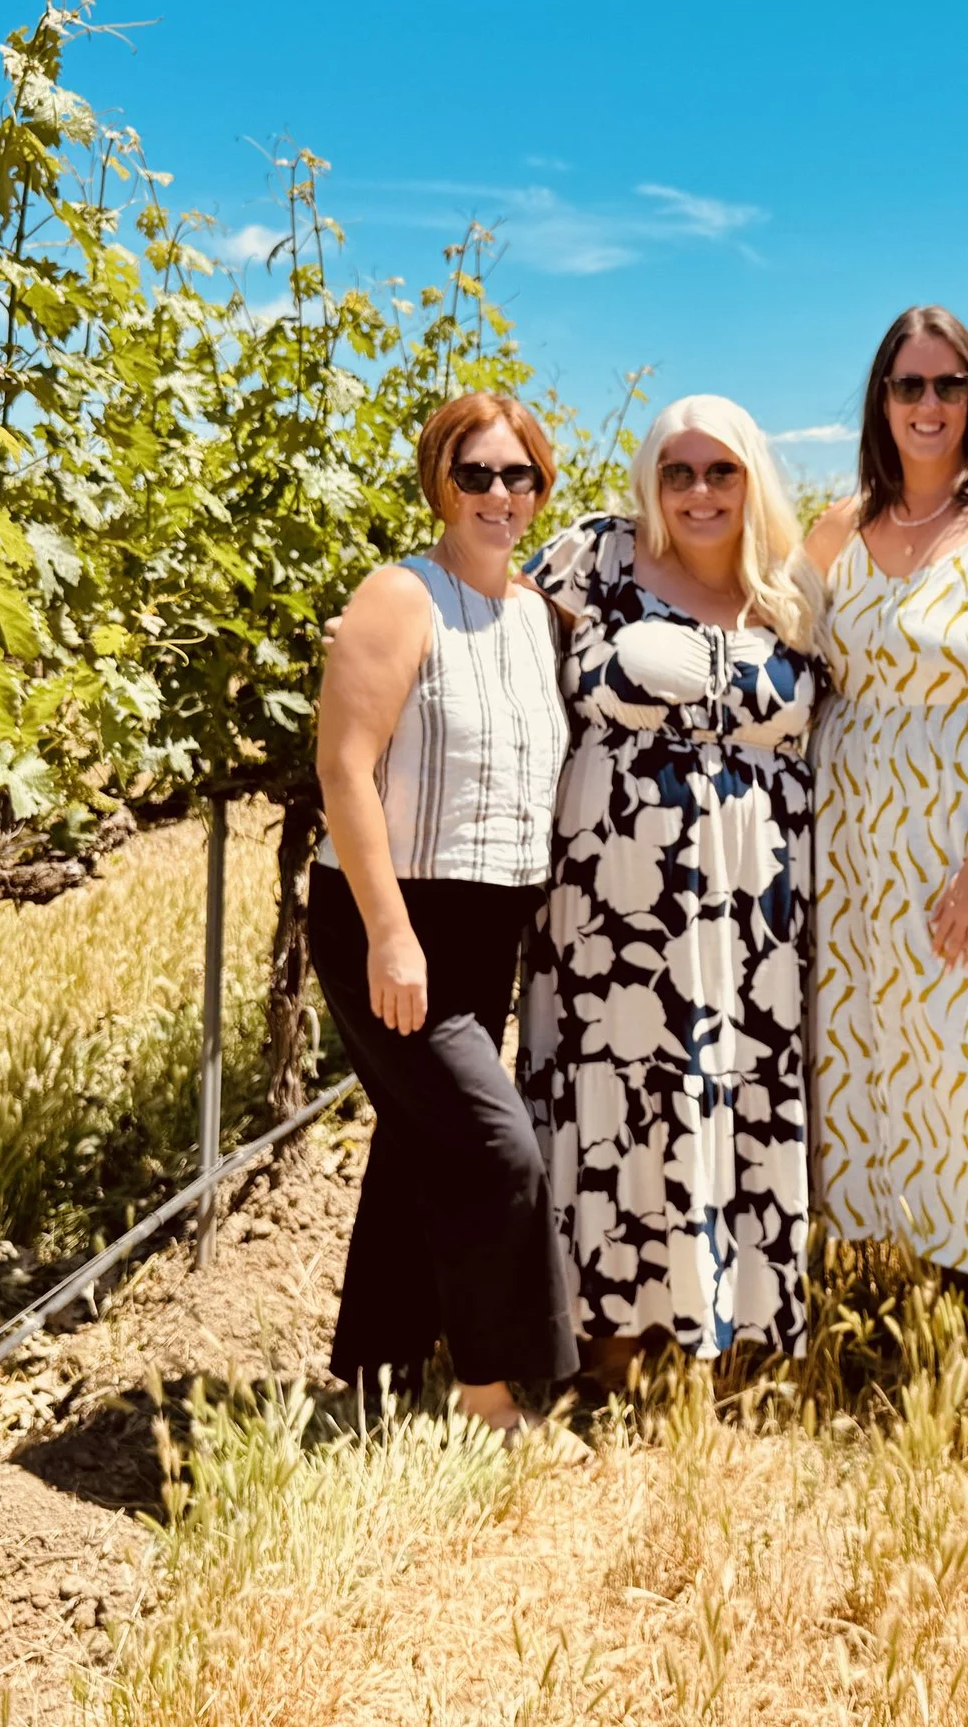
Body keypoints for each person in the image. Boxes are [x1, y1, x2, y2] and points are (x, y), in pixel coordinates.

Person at [520, 395, 824, 1387]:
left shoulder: (792, 592)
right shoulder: (593, 561)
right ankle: (604, 1344)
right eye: (678, 472)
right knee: (619, 1093)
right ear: (650, 482)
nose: (699, 492)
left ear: (754, 481)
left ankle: (725, 1337)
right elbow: (485, 629)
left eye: (721, 471)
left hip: (757, 907)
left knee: (737, 1088)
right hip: (615, 892)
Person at [805, 306, 968, 1350]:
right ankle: (874, 1301)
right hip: (849, 847)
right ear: (880, 400)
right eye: (907, 386)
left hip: (966, 840)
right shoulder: (837, 525)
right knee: (864, 1061)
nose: (928, 405)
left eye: (947, 385)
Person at [310, 390, 579, 1440]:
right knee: (492, 1148)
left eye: (520, 475)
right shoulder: (398, 596)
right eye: (478, 474)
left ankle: (376, 1373)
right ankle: (489, 1388)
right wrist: (388, 932)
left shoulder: (538, 614)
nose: (501, 495)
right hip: (390, 919)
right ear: (440, 482)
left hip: (485, 928)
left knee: (420, 1142)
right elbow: (343, 768)